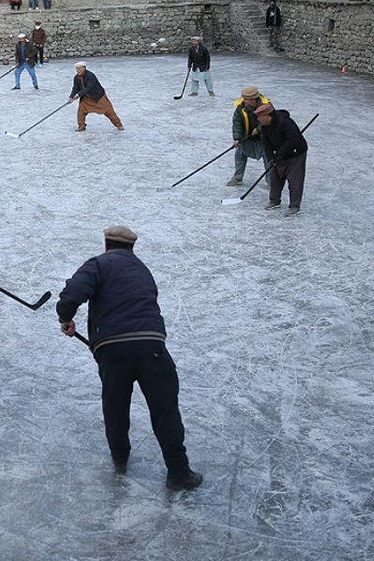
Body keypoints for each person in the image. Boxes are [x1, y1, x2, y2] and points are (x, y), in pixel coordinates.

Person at [56, 225, 202, 490]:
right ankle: (179, 472)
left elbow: (73, 292)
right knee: (165, 408)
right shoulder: (143, 270)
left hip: (113, 349)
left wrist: (66, 317)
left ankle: (120, 458)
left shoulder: (98, 264)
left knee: (115, 405)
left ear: (106, 243)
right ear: (131, 247)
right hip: (152, 344)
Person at [255, 103, 307, 214]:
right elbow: (266, 143)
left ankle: (294, 206)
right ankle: (274, 201)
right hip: (279, 153)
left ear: (268, 116)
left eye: (260, 117)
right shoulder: (264, 126)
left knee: (295, 180)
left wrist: (280, 154)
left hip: (296, 153)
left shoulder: (285, 122)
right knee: (275, 176)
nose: (258, 119)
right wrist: (271, 158)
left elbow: (293, 140)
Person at [228, 86, 268, 186]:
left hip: (264, 138)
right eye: (244, 99)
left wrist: (259, 129)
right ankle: (238, 178)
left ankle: (271, 181)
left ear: (254, 99)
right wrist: (237, 138)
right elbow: (237, 122)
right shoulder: (240, 108)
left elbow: (270, 121)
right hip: (247, 136)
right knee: (240, 153)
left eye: (247, 100)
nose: (245, 102)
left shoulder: (266, 106)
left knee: (268, 158)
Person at [70, 61, 123, 132]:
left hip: (98, 97)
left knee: (109, 111)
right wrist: (71, 97)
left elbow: (89, 87)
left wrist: (78, 94)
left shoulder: (91, 76)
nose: (77, 70)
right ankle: (81, 126)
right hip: (86, 98)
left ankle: (119, 124)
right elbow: (75, 88)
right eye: (76, 69)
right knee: (81, 112)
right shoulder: (76, 78)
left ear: (84, 68)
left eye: (79, 68)